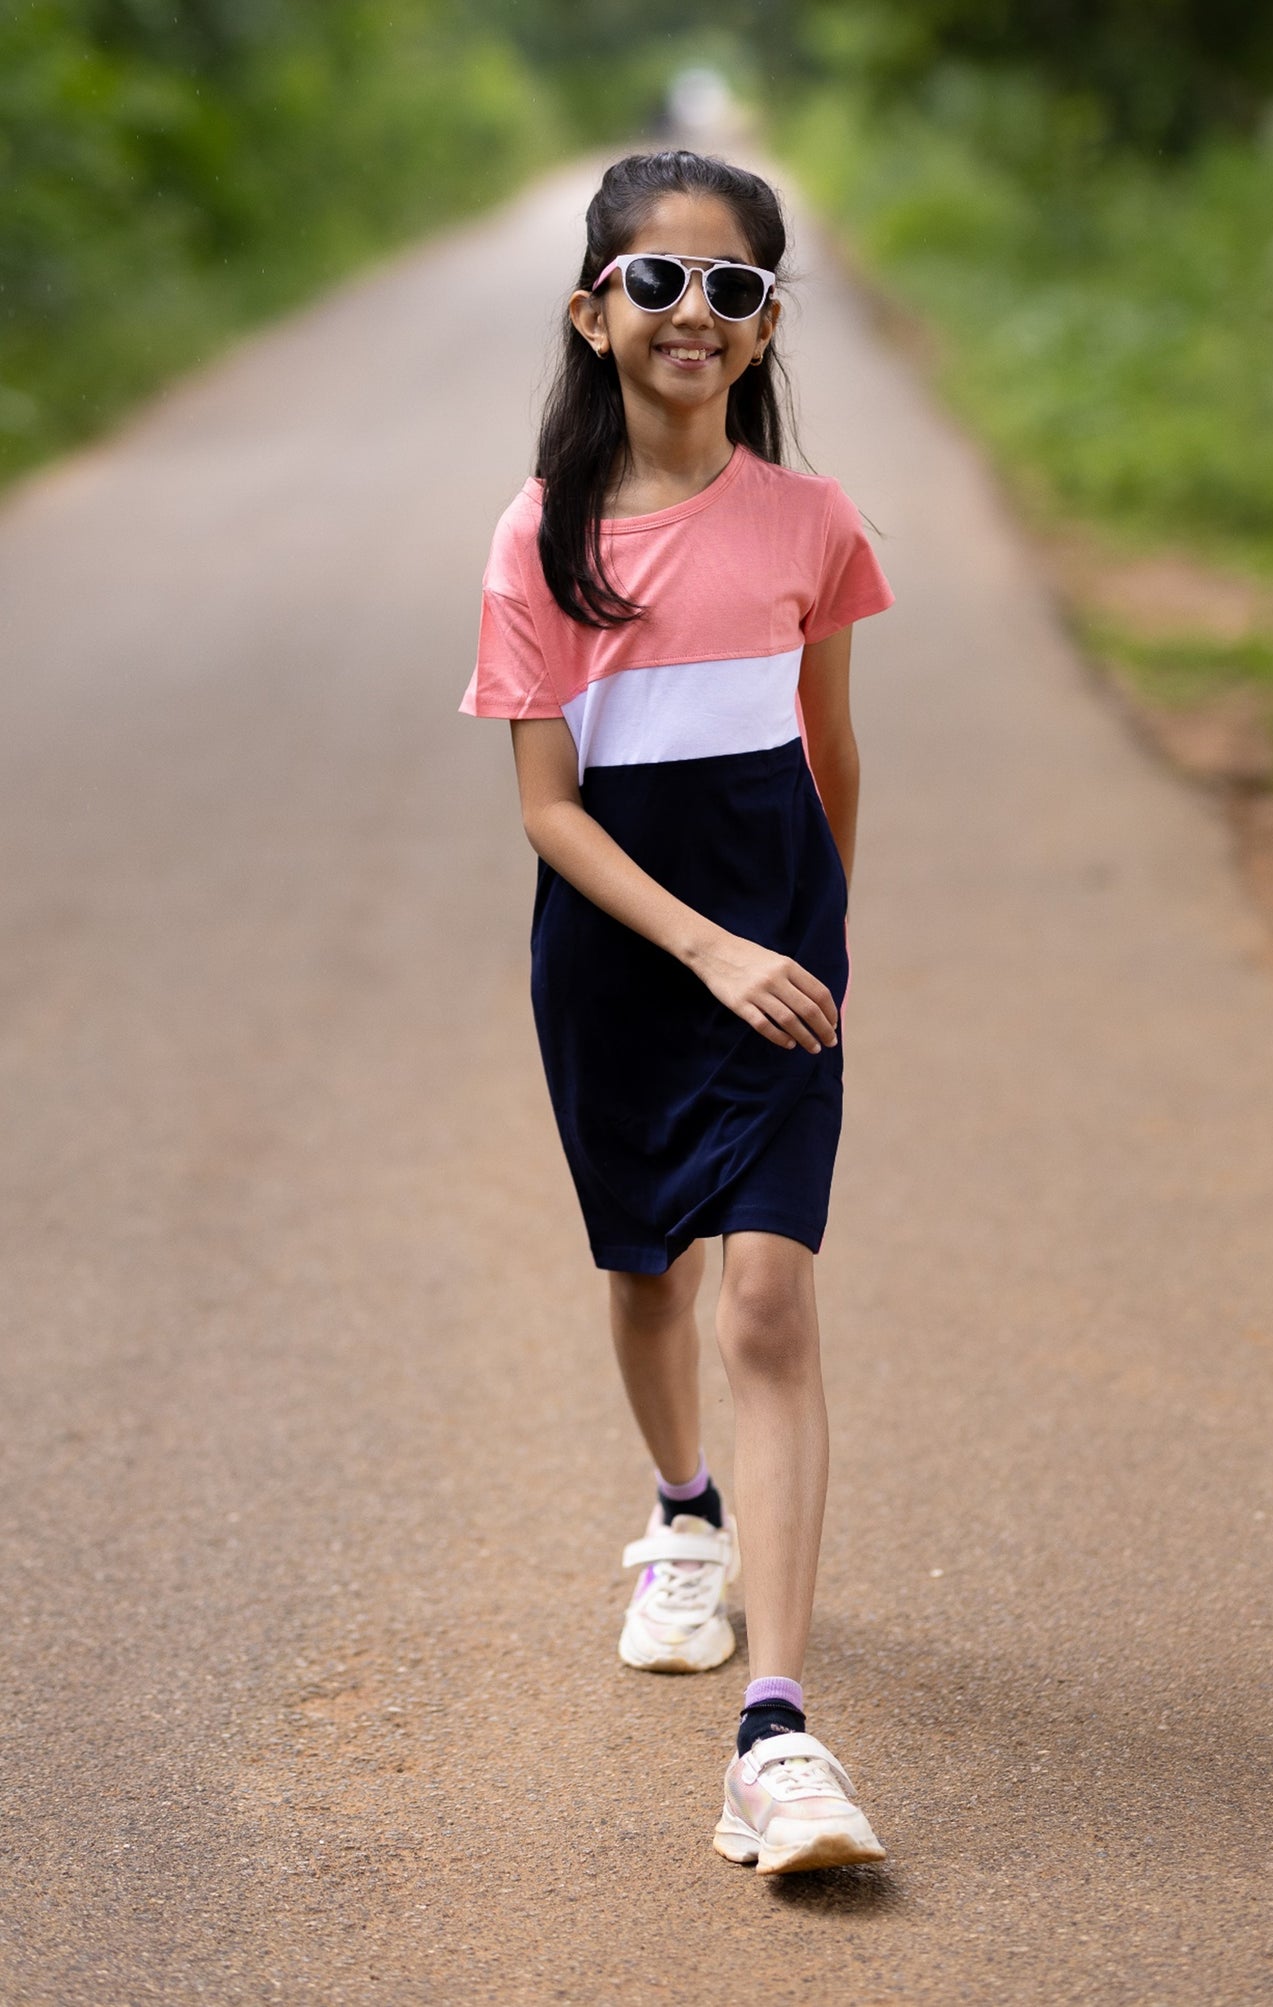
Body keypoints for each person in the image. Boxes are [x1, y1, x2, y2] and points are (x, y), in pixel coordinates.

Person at [459, 148, 895, 1875]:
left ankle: (773, 1736)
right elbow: (548, 810)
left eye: (731, 286)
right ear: (593, 310)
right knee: (647, 1270)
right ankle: (682, 1515)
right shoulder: (541, 534)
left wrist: (818, 941)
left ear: (767, 319)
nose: (692, 312)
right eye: (657, 281)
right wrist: (705, 948)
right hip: (625, 960)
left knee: (769, 1305)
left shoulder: (813, 521)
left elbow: (830, 749)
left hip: (780, 965)